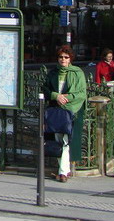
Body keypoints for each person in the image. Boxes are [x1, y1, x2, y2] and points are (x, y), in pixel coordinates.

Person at [42, 45, 87, 183]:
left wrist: (66, 98)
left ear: (70, 59)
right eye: (61, 57)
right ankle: (65, 170)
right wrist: (56, 96)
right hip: (56, 111)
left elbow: (81, 93)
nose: (63, 59)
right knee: (57, 140)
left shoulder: (77, 73)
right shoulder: (53, 73)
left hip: (70, 111)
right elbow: (45, 89)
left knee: (66, 141)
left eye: (66, 57)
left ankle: (62, 173)